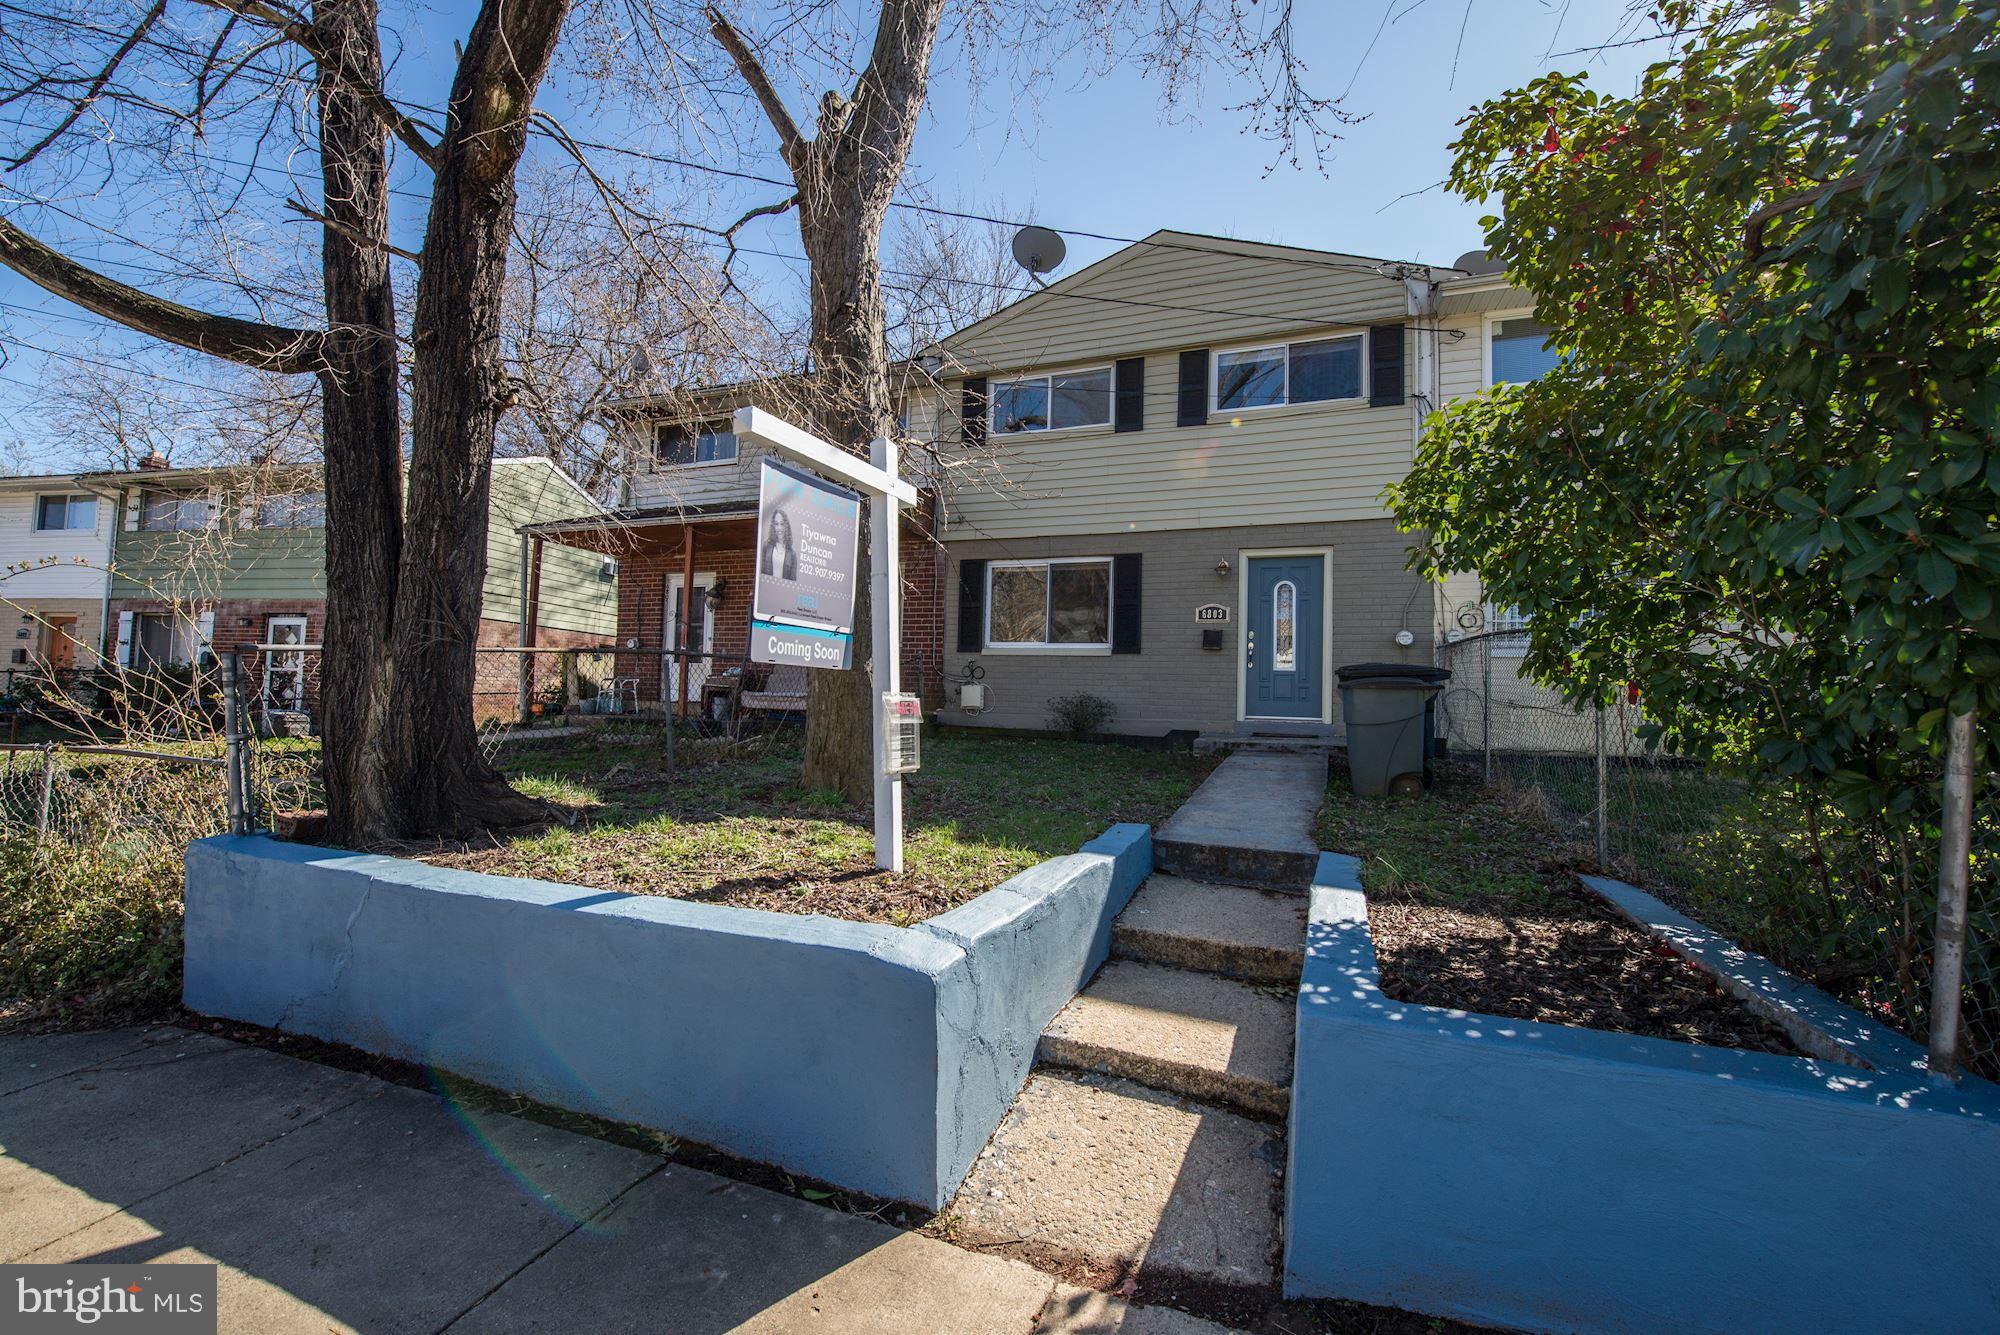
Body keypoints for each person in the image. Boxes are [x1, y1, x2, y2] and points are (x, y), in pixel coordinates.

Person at [761, 506, 798, 580]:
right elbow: (762, 573)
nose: (779, 528)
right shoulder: (766, 546)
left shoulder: (792, 555)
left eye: (782, 524)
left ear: (786, 526)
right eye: (776, 524)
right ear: (773, 526)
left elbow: (793, 580)